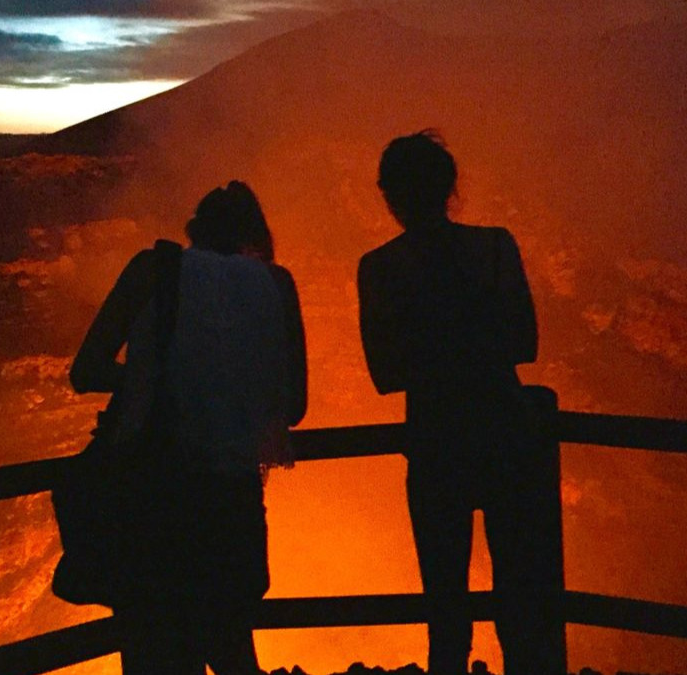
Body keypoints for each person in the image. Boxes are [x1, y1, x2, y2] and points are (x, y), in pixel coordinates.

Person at [69, 180, 307, 675]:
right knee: (232, 650)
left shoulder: (152, 271)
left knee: (151, 653)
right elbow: (294, 404)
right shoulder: (275, 286)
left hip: (150, 503)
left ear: (196, 231)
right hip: (229, 505)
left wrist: (154, 377)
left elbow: (86, 370)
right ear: (256, 237)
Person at [357, 131, 541, 674]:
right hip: (508, 433)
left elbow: (386, 373)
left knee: (446, 610)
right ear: (449, 186)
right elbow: (524, 342)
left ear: (390, 195)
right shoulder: (495, 248)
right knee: (522, 603)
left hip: (436, 443)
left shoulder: (381, 268)